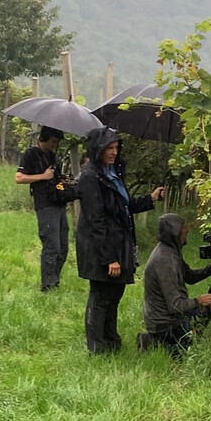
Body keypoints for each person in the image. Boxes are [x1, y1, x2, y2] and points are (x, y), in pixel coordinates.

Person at [75, 126, 164, 354]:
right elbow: (96, 221)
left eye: (116, 147)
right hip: (100, 246)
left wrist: (150, 198)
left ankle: (111, 341)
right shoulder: (90, 177)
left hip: (118, 242)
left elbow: (123, 206)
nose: (114, 152)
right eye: (109, 148)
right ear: (98, 149)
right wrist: (109, 258)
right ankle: (97, 347)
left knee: (114, 294)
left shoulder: (112, 173)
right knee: (100, 295)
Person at [141, 213, 211, 359]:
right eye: (183, 227)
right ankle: (158, 343)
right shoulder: (165, 261)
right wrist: (198, 301)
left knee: (209, 306)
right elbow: (174, 305)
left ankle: (181, 339)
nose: (187, 230)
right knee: (184, 353)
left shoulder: (171, 252)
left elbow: (190, 277)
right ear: (174, 232)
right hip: (164, 323)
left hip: (167, 318)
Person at [15, 126, 70, 292]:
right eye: (53, 141)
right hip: (45, 205)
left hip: (59, 203)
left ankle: (55, 281)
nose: (55, 145)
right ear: (44, 138)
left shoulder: (52, 156)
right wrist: (42, 176)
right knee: (52, 246)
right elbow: (19, 178)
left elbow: (54, 177)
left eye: (57, 142)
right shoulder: (31, 154)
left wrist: (63, 180)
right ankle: (47, 285)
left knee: (63, 246)